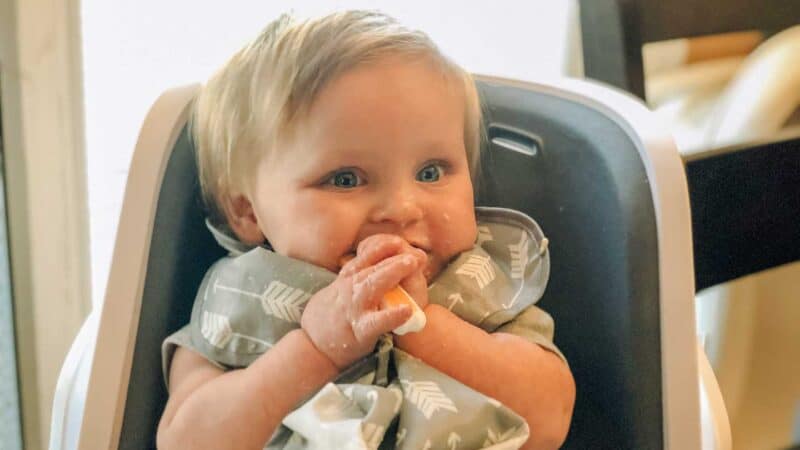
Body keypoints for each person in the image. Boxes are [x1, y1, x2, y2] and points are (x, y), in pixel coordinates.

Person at [156, 10, 575, 450]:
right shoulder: (240, 305)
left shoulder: (486, 290)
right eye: (345, 179)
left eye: (431, 172)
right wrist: (317, 348)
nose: (401, 208)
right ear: (249, 212)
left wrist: (422, 326)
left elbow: (549, 418)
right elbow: (188, 441)